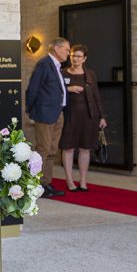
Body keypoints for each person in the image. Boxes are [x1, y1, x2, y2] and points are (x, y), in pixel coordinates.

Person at [25, 37, 71, 198]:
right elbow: (33, 89)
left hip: (58, 113)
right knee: (43, 149)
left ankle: (46, 182)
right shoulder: (44, 64)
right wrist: (30, 111)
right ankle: (35, 184)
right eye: (66, 49)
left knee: (52, 150)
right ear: (56, 48)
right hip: (45, 114)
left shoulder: (57, 66)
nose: (68, 52)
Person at [59, 44, 107, 192]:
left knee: (85, 148)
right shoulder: (63, 73)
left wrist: (102, 116)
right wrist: (69, 89)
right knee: (68, 148)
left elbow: (97, 96)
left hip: (89, 116)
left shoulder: (90, 74)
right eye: (73, 55)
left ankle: (83, 180)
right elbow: (55, 91)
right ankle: (69, 180)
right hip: (69, 115)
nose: (75, 59)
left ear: (84, 58)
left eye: (79, 56)